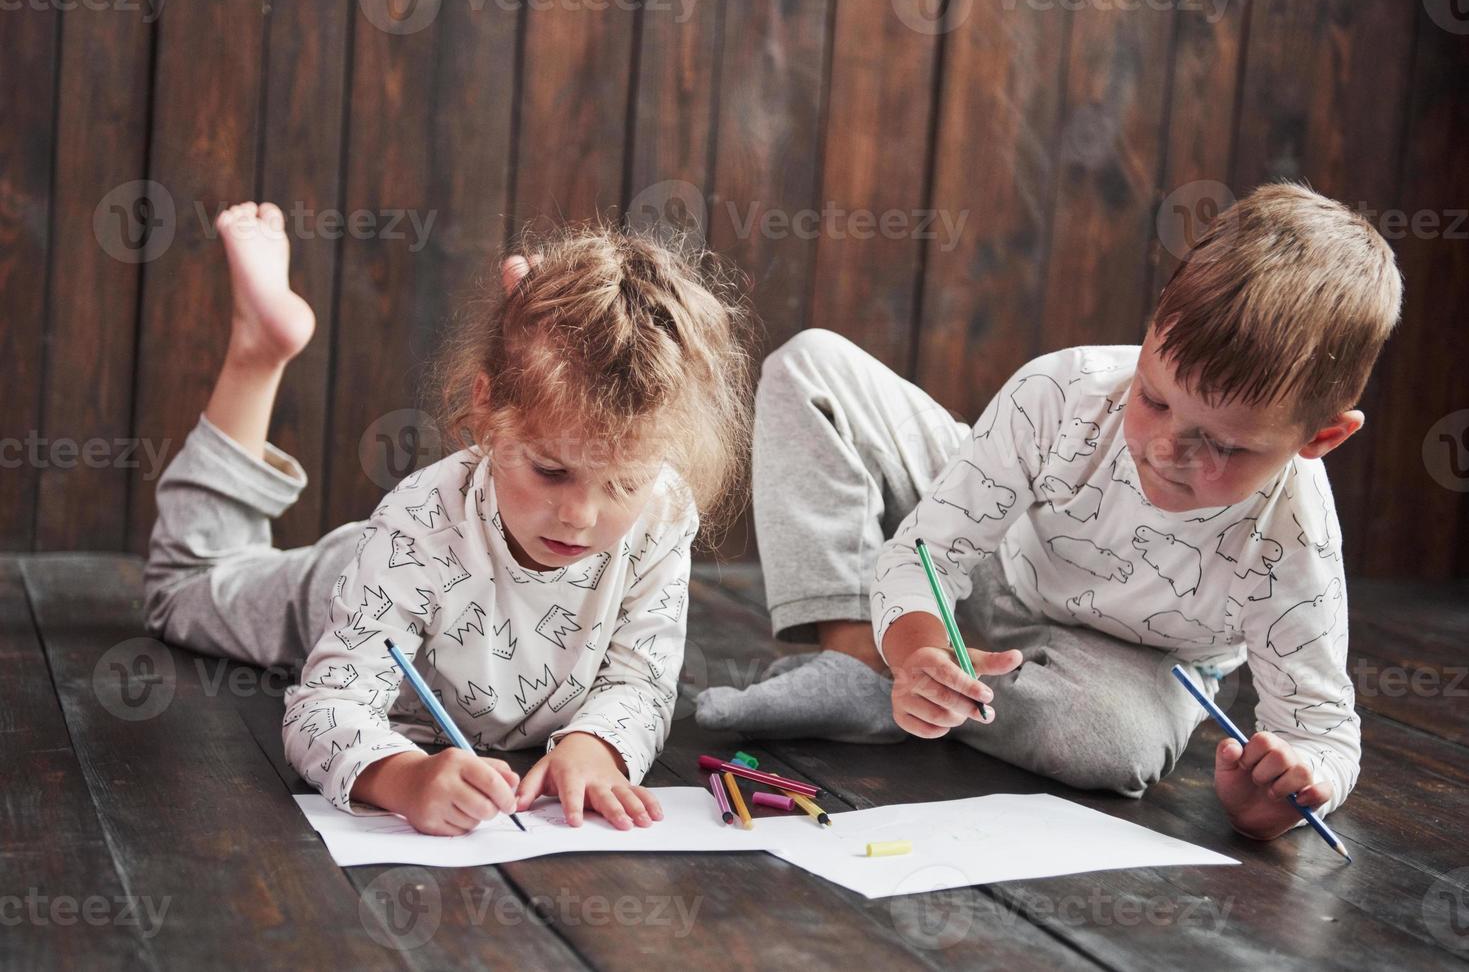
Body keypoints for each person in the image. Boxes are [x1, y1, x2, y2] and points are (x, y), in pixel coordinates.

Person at [697, 183, 1401, 840]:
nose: (1164, 450)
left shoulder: (1292, 539)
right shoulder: (1065, 393)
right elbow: (928, 552)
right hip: (1003, 551)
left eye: (1220, 444)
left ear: (1320, 438)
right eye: (1153, 398)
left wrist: (1275, 804)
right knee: (809, 365)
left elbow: (1321, 733)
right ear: (1152, 330)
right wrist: (913, 645)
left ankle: (896, 693)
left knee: (1110, 746)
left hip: (1128, 661)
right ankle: (862, 649)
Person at [143, 202, 752, 835]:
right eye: (550, 470)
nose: (580, 515)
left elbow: (642, 679)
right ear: (487, 410)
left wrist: (596, 749)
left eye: (622, 482)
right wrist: (403, 778)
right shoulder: (418, 522)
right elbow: (327, 706)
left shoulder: (663, 511)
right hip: (362, 579)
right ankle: (257, 352)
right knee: (183, 589)